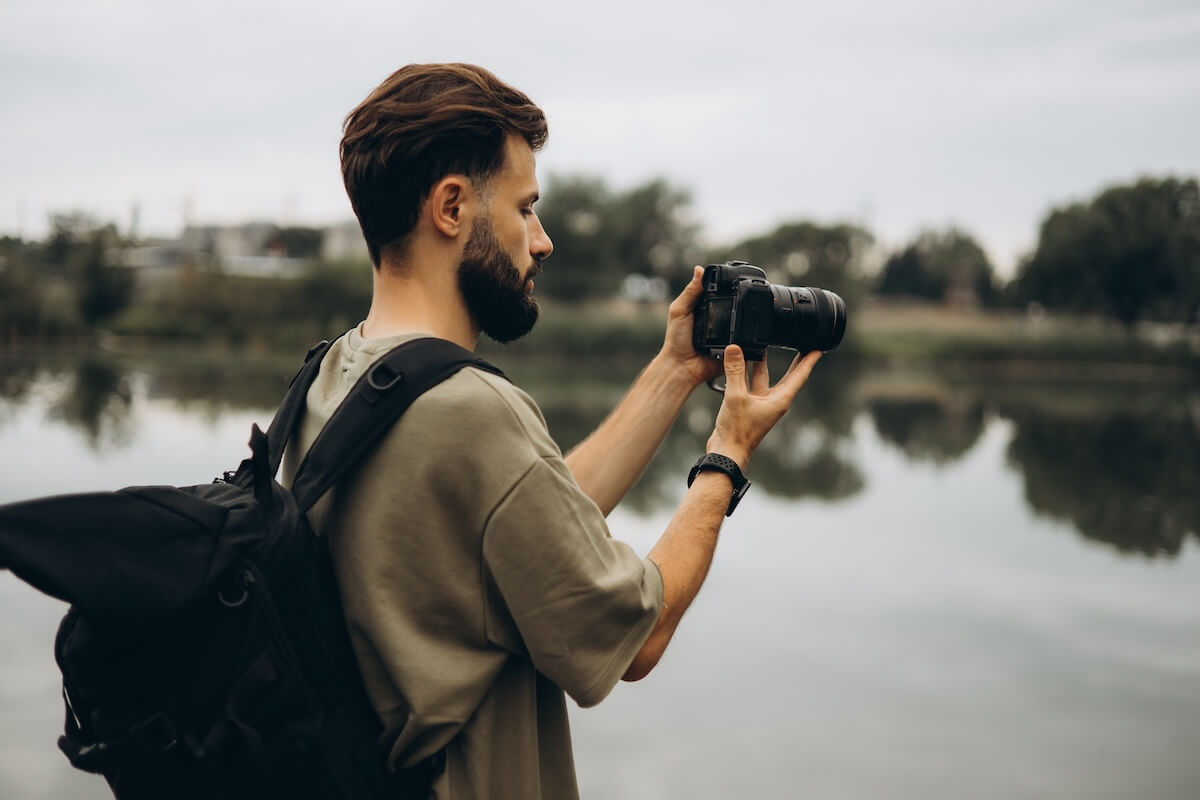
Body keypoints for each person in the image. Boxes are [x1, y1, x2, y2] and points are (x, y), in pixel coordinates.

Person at [282, 63, 822, 800]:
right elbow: (640, 633)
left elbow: (531, 519)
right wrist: (725, 459)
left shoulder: (335, 375)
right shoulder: (470, 410)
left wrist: (673, 371)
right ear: (451, 208)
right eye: (526, 208)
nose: (542, 241)